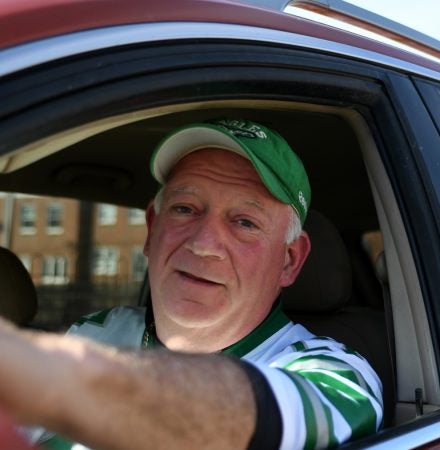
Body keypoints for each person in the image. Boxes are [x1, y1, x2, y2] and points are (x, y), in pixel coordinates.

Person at [0, 118, 383, 449]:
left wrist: (57, 375)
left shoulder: (338, 373)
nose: (202, 245)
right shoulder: (96, 331)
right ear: (152, 230)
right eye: (185, 209)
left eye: (244, 222)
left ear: (290, 260)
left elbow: (274, 418)